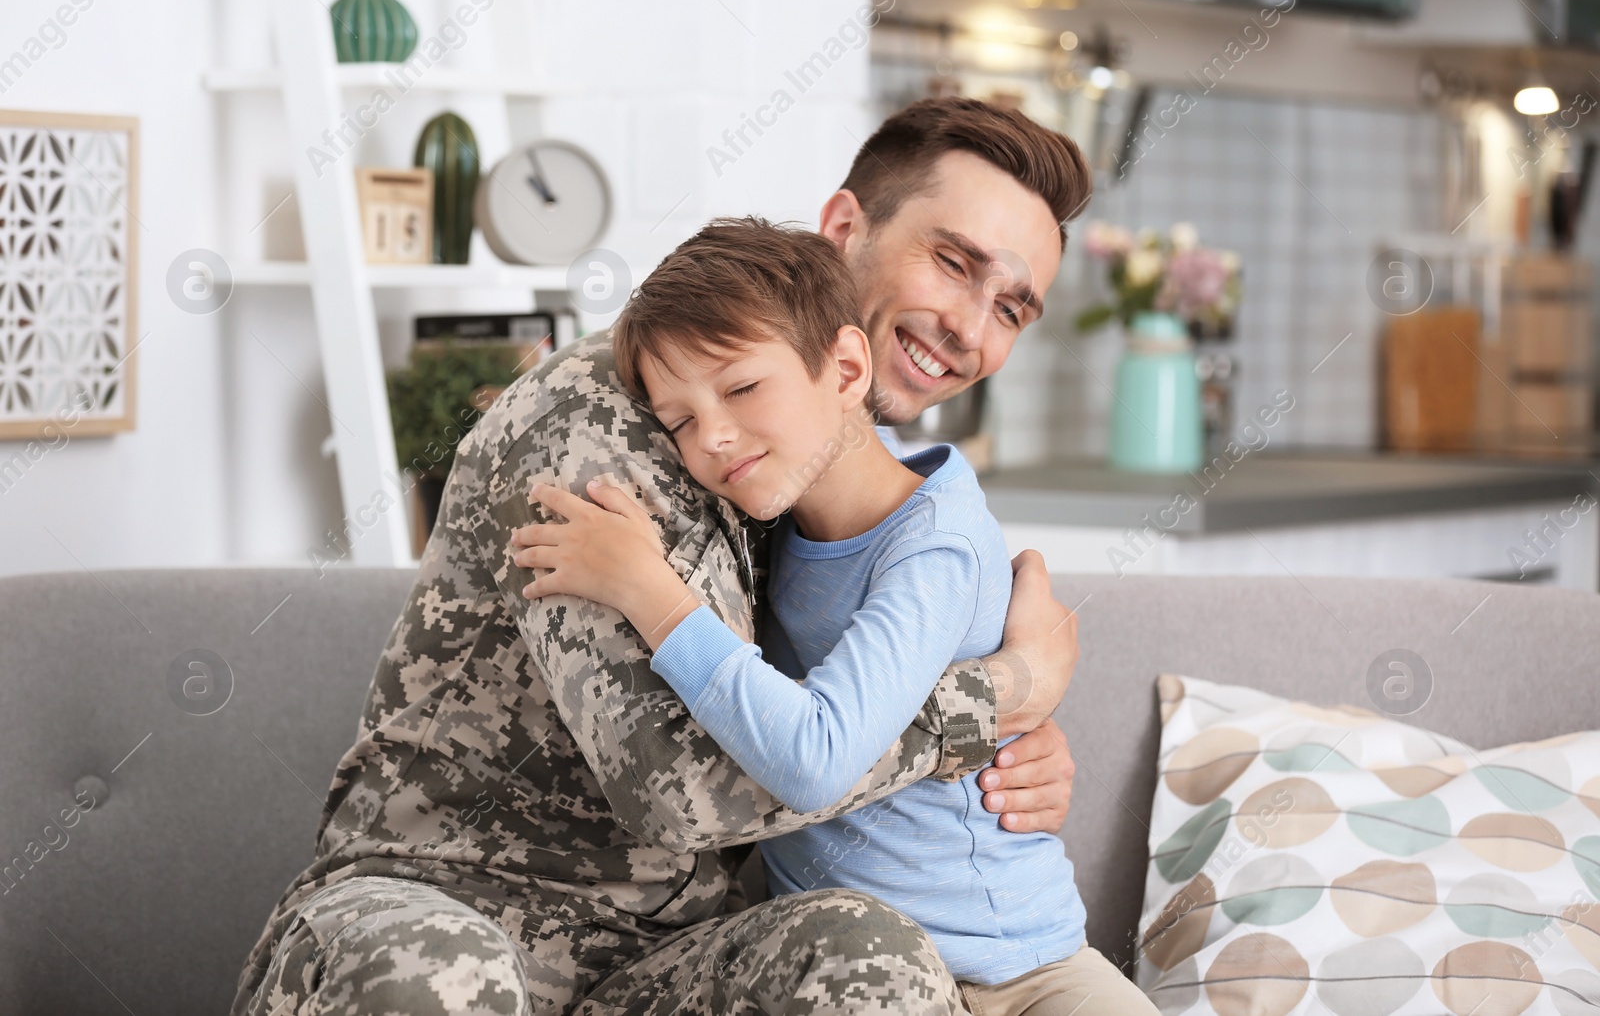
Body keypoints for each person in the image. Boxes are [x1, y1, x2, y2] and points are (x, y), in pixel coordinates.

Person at [231, 96, 1091, 1016]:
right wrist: (995, 694)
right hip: (437, 906)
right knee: (443, 972)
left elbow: (843, 685)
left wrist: (1003, 756)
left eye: (1008, 305)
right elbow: (683, 791)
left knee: (869, 950)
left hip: (653, 965)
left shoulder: (806, 468)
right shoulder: (604, 424)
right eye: (951, 261)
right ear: (845, 228)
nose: (968, 325)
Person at [513, 216, 1156, 1015]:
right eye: (678, 420)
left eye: (743, 388)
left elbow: (815, 756)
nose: (711, 435)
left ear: (848, 367)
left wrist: (648, 589)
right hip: (847, 975)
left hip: (1019, 971)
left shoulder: (937, 545)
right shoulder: (768, 523)